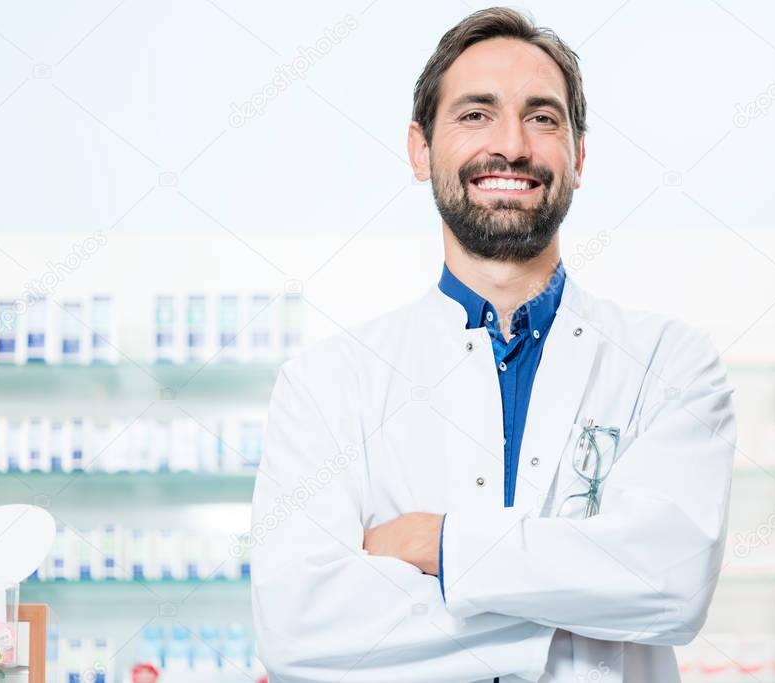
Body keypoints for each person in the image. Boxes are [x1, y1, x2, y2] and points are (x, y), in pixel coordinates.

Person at [250, 7, 736, 682]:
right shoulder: (327, 383)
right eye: (476, 114)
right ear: (420, 150)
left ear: (579, 156)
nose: (511, 144)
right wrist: (574, 599)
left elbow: (670, 583)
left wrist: (433, 543)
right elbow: (297, 626)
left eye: (542, 117)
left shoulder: (669, 363)